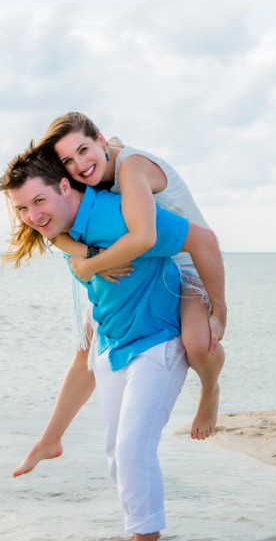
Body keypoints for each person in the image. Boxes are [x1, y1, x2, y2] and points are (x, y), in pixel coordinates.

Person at [0, 144, 223, 541]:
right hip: (116, 342)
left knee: (134, 447)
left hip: (158, 338)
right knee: (116, 451)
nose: (32, 215)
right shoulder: (62, 227)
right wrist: (86, 257)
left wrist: (218, 309)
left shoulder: (117, 214)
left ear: (66, 186)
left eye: (39, 201)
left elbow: (201, 239)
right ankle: (138, 531)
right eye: (23, 208)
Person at [38, 113, 226, 441]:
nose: (80, 164)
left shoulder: (130, 167)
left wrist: (219, 311)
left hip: (189, 259)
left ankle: (210, 389)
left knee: (197, 343)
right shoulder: (88, 178)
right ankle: (51, 438)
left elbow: (144, 237)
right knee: (88, 341)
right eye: (68, 160)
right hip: (147, 263)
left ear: (100, 138)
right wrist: (91, 257)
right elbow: (54, 233)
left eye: (83, 150)